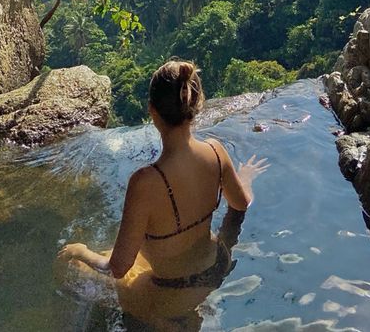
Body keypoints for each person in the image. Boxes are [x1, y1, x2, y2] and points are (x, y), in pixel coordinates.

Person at [58, 59, 268, 328]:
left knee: (73, 267)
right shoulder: (217, 152)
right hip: (217, 269)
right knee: (145, 254)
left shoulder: (145, 183)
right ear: (196, 106)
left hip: (172, 293)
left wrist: (81, 251)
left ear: (152, 112)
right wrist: (245, 177)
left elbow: (117, 267)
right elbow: (240, 204)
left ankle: (165, 323)